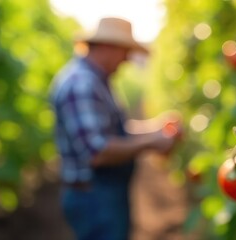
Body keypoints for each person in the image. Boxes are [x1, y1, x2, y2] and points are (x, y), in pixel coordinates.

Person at [49, 17, 182, 240]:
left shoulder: (96, 81)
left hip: (103, 194)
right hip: (94, 198)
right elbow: (98, 151)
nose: (127, 60)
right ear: (107, 47)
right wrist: (151, 141)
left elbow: (114, 132)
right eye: (125, 52)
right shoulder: (81, 84)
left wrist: (155, 128)